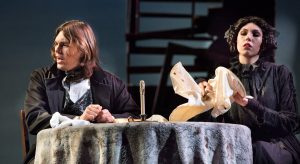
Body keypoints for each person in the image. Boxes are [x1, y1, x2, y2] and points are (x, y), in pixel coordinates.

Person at [23, 20, 140, 163]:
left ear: (83, 49)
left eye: (64, 44)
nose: (57, 50)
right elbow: (34, 118)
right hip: (53, 155)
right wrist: (78, 120)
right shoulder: (41, 77)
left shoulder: (112, 83)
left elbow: (134, 116)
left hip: (101, 157)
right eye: (56, 44)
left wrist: (111, 119)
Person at [196, 16, 300, 163]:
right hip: (234, 145)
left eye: (255, 34)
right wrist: (199, 90)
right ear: (236, 40)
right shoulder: (221, 77)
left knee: (255, 151)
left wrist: (254, 106)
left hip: (275, 145)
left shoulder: (279, 73)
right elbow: (211, 121)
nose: (248, 38)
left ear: (263, 43)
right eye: (243, 33)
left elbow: (290, 122)